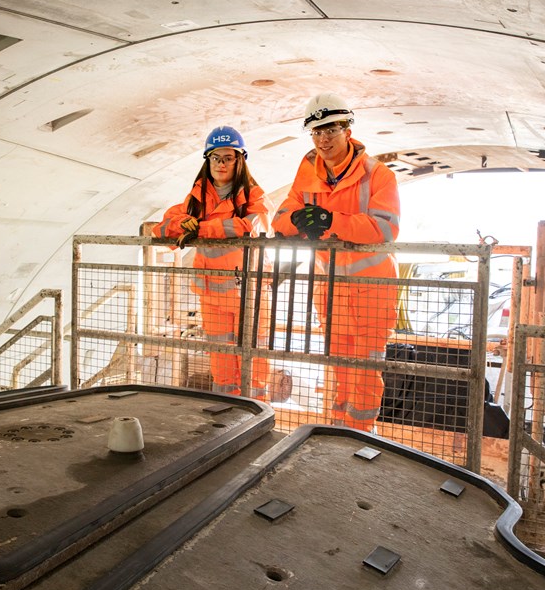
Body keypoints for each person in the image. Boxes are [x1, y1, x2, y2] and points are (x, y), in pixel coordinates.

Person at [271, 93, 400, 431]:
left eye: (330, 129)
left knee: (366, 369)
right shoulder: (307, 173)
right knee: (338, 365)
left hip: (372, 289)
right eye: (316, 132)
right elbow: (280, 219)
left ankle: (361, 436)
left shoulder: (378, 175)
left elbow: (385, 228)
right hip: (330, 291)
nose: (323, 139)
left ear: (347, 128)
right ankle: (335, 432)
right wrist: (299, 219)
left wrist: (330, 220)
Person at [153, 126, 270, 399]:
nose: (221, 163)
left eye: (228, 157)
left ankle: (257, 414)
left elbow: (253, 228)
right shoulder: (196, 199)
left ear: (240, 160)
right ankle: (226, 414)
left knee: (253, 363)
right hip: (212, 295)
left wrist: (202, 229)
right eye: (215, 157)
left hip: (249, 296)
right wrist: (181, 223)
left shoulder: (254, 196)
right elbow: (160, 232)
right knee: (221, 363)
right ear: (207, 160)